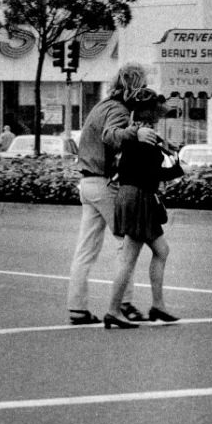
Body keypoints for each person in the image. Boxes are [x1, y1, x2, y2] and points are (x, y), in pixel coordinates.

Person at [67, 63, 159, 325]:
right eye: (142, 85)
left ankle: (77, 308)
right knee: (127, 242)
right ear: (134, 86)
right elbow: (110, 135)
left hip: (87, 182)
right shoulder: (118, 109)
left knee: (86, 249)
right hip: (103, 182)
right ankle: (124, 305)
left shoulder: (102, 105)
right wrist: (136, 132)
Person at [104, 90, 181, 330]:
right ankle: (113, 310)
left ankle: (157, 305)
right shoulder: (145, 137)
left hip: (132, 196)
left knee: (161, 250)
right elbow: (152, 173)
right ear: (151, 113)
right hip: (139, 197)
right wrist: (177, 170)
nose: (160, 115)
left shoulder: (137, 134)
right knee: (129, 257)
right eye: (157, 111)